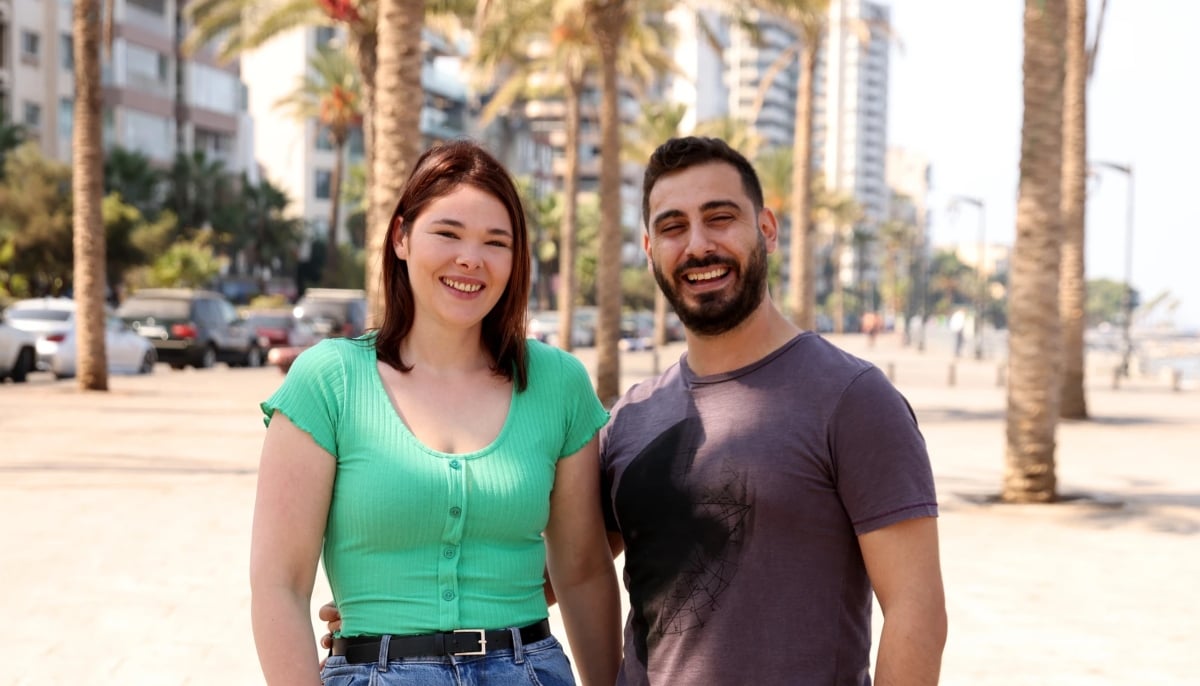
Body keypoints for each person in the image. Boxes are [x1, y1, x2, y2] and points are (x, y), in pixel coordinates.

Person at [321, 136, 947, 684]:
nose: (698, 244)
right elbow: (564, 564)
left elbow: (918, 611)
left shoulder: (852, 399)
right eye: (673, 227)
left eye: (720, 218)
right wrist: (404, 606)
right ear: (649, 249)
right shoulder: (631, 420)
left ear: (767, 229)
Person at [251, 139, 621, 686]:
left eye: (496, 242)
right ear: (401, 237)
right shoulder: (329, 381)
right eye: (447, 233)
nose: (470, 259)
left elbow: (584, 570)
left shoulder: (558, 384)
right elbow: (278, 583)